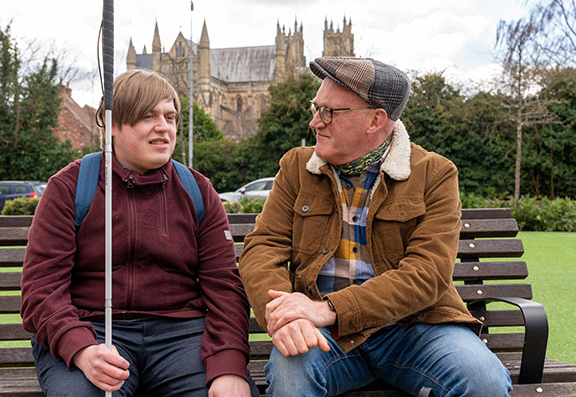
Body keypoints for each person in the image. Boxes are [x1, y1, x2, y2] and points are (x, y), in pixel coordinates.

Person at [238, 57, 513, 397]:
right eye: (316, 108)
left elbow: (427, 274)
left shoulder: (435, 174)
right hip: (322, 336)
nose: (314, 122)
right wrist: (287, 316)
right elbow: (262, 251)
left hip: (415, 328)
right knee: (292, 371)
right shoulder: (296, 167)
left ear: (375, 119)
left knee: (483, 382)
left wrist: (330, 310)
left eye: (329, 112)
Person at [21, 69, 255, 397]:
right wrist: (82, 349)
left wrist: (229, 367)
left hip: (182, 338)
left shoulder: (197, 191)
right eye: (148, 116)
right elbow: (41, 290)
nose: (164, 127)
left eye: (170, 117)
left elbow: (225, 289)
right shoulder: (71, 187)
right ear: (111, 124)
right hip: (93, 330)